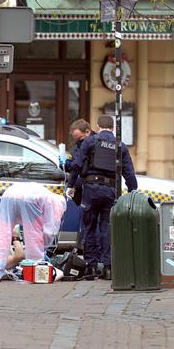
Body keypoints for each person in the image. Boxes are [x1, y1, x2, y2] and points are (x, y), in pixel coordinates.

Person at [66, 115, 138, 281]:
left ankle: (91, 267)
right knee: (107, 229)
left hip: (91, 190)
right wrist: (132, 189)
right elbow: (129, 172)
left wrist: (70, 186)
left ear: (98, 126)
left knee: (89, 227)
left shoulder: (90, 142)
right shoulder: (120, 145)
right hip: (110, 191)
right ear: (112, 128)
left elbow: (76, 165)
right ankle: (108, 269)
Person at [0, 183, 67, 282]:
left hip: (8, 194)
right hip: (31, 198)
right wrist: (44, 248)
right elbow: (49, 231)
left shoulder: (46, 194)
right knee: (33, 234)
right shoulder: (56, 205)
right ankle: (35, 271)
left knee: (3, 233)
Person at [64, 119, 99, 279]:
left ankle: (96, 264)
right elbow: (73, 163)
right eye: (76, 139)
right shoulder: (80, 145)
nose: (79, 142)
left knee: (93, 229)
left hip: (93, 190)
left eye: (80, 138)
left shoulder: (96, 144)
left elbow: (79, 168)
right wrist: (68, 164)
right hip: (85, 191)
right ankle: (93, 265)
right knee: (89, 229)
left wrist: (71, 183)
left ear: (88, 132)